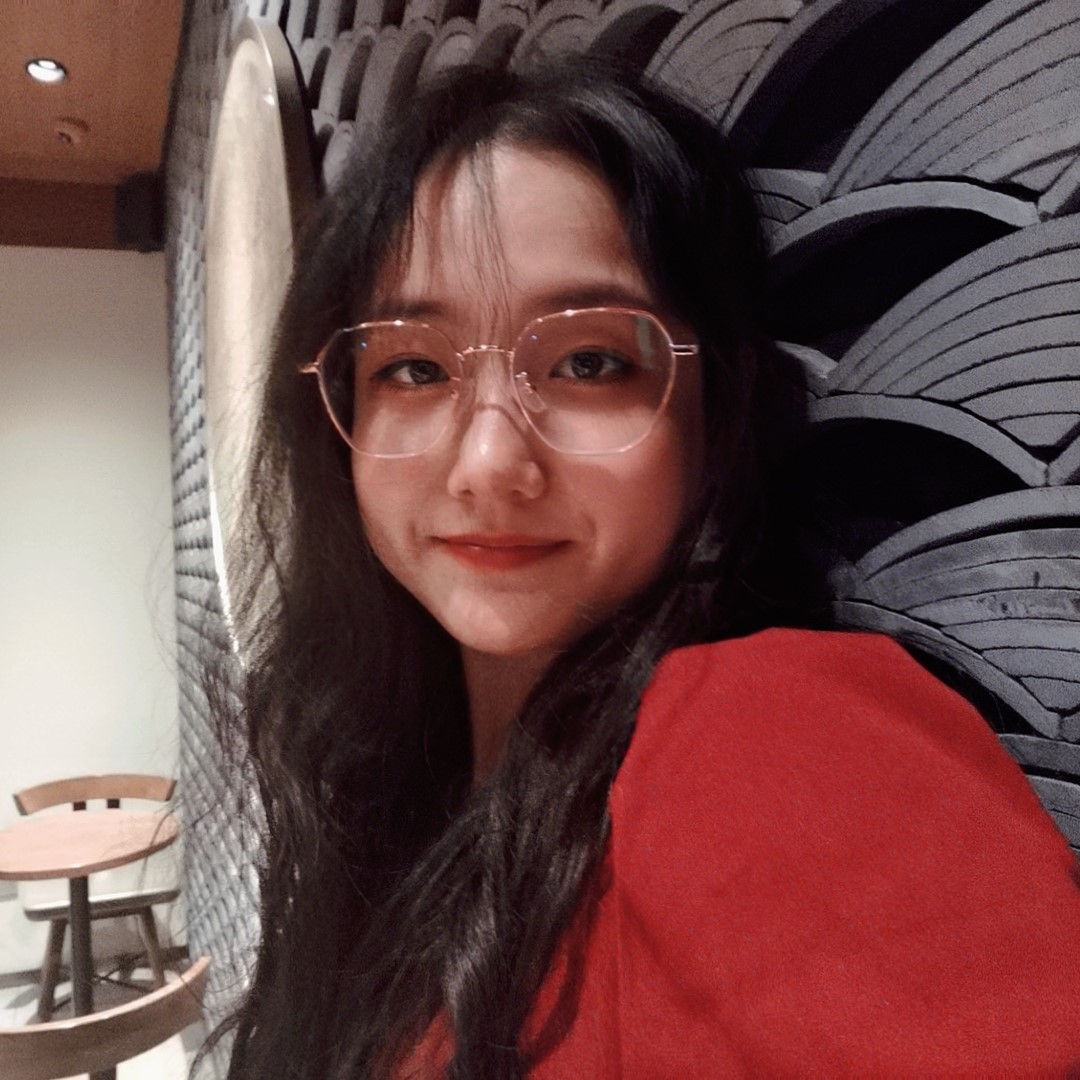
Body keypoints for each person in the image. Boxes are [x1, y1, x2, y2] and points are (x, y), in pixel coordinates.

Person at [213, 61, 1080, 1079]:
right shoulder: (390, 790)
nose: (488, 463)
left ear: (718, 411)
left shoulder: (771, 731)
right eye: (415, 367)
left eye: (589, 363)